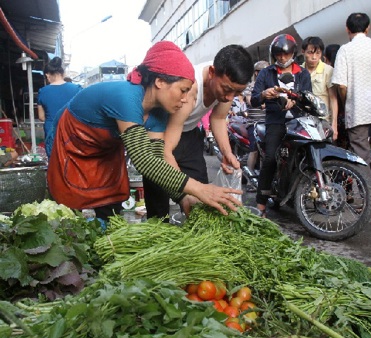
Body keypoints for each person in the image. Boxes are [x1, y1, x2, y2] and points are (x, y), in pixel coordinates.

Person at [46, 41, 241, 221]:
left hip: (106, 151)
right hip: (74, 143)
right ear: (160, 82)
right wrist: (199, 188)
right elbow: (143, 160)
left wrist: (183, 197)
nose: (185, 99)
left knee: (109, 208)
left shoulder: (159, 113)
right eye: (183, 90)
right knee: (68, 211)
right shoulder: (127, 96)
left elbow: (156, 159)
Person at [145, 44, 253, 219]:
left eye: (237, 92)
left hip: (191, 135)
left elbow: (217, 119)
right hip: (162, 134)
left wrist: (227, 153)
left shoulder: (226, 85)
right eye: (226, 90)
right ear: (212, 72)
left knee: (202, 199)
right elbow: (166, 151)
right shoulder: (189, 90)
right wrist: (182, 193)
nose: (229, 97)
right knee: (160, 199)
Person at [331, 12, 371, 208]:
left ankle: (368, 203)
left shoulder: (345, 50)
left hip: (358, 110)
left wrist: (347, 99)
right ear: (368, 28)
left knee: (361, 158)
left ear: (347, 29)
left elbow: (341, 85)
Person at [249, 34, 312, 217]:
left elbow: (308, 97)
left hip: (299, 121)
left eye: (286, 54)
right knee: (269, 159)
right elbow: (253, 99)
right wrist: (264, 95)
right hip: (275, 120)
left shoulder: (303, 73)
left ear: (292, 53)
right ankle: (260, 204)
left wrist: (297, 101)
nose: (282, 58)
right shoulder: (265, 73)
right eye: (279, 54)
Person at [36, 56, 80, 156]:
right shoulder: (76, 89)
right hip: (72, 131)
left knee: (54, 163)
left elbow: (41, 117)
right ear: (63, 73)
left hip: (52, 133)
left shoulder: (43, 92)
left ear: (47, 75)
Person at [301, 36, 337, 139]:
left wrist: (334, 125)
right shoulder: (298, 71)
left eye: (318, 53)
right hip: (304, 123)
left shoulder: (328, 70)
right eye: (310, 53)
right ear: (303, 52)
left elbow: (333, 99)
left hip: (323, 123)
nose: (314, 57)